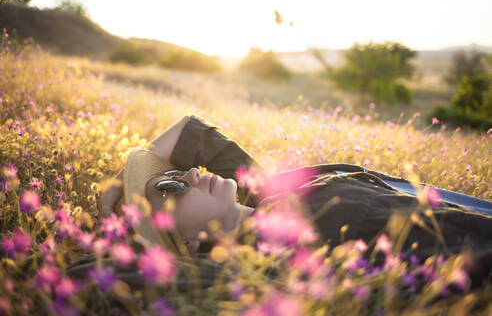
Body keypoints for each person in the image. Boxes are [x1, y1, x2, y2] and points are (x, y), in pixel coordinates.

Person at [69, 115, 492, 295]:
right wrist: (133, 239)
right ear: (186, 244)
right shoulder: (285, 258)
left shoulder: (266, 193)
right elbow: (88, 276)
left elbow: (189, 132)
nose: (191, 174)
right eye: (171, 189)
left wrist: (120, 181)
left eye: (178, 174)